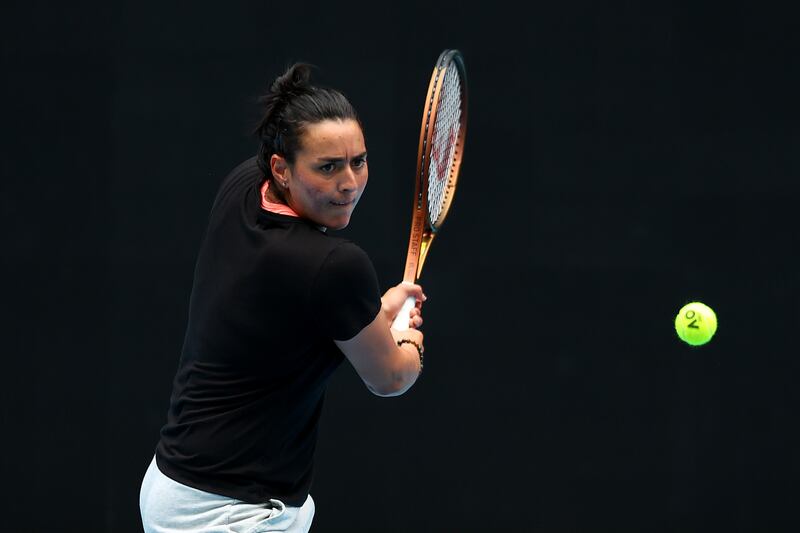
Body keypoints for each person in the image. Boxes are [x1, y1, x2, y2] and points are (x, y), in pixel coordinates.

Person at [139, 63, 426, 533]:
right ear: (282, 168)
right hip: (228, 514)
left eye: (359, 160)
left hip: (177, 488)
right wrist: (407, 339)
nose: (350, 183)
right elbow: (390, 378)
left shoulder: (243, 189)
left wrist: (376, 312)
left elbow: (299, 310)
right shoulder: (335, 265)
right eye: (328, 167)